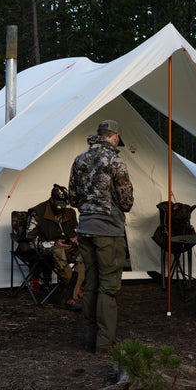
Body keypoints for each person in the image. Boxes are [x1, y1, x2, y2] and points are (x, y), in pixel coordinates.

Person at [68, 120, 134, 354]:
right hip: (108, 231)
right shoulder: (115, 161)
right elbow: (126, 202)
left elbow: (73, 199)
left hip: (85, 228)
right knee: (108, 287)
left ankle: (90, 338)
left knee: (91, 283)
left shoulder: (79, 160)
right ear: (114, 137)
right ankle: (105, 344)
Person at [26, 184, 84, 310]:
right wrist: (54, 244)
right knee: (58, 250)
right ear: (51, 199)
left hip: (68, 248)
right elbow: (31, 242)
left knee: (86, 251)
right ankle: (72, 292)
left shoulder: (70, 213)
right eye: (58, 204)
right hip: (47, 252)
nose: (61, 208)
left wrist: (76, 238)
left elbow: (76, 231)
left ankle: (71, 294)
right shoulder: (37, 213)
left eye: (64, 204)